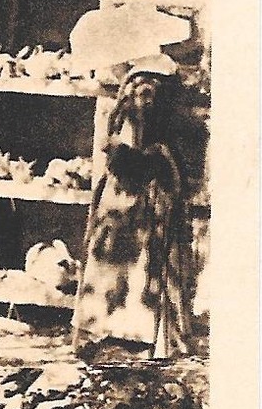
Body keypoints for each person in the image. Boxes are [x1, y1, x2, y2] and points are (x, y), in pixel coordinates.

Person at [72, 54, 198, 361]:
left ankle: (148, 332)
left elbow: (175, 161)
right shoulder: (124, 116)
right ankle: (104, 324)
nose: (146, 99)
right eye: (140, 91)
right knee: (113, 260)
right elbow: (122, 162)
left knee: (150, 263)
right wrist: (132, 155)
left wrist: (162, 156)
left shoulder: (167, 121)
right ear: (129, 90)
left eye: (152, 92)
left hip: (153, 197)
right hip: (124, 194)